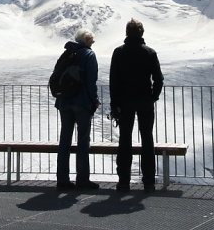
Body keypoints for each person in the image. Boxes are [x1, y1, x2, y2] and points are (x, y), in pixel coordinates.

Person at [109, 18, 164, 192]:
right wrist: (153, 96)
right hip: (145, 101)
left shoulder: (118, 52)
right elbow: (158, 79)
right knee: (147, 139)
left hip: (125, 102)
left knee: (125, 139)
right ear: (142, 33)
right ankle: (148, 181)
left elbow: (114, 81)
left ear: (127, 32)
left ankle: (123, 180)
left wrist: (114, 103)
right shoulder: (149, 52)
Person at [54, 29, 101, 190]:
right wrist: (94, 101)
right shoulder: (89, 55)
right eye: (92, 40)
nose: (93, 43)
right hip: (82, 103)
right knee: (83, 141)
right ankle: (82, 179)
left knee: (65, 140)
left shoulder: (66, 54)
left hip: (64, 102)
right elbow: (91, 81)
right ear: (87, 40)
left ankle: (62, 178)